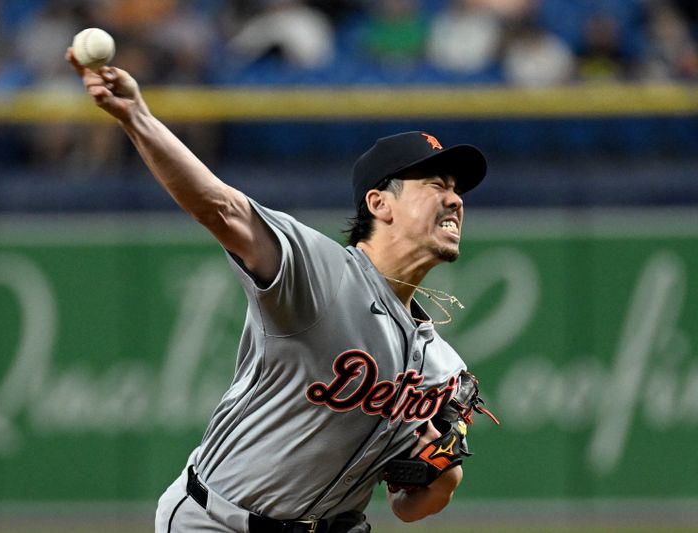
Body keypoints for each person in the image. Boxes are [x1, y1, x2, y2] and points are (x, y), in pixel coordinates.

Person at [66, 47, 489, 533]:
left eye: (458, 189)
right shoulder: (321, 274)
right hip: (216, 523)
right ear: (380, 204)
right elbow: (218, 207)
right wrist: (137, 116)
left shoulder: (442, 367)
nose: (456, 199)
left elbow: (407, 506)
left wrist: (440, 480)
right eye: (436, 184)